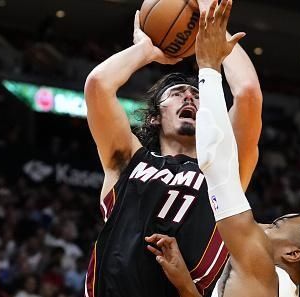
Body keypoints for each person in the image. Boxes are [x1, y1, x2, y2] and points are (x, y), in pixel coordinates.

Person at [145, 1, 300, 296]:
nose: (259, 222)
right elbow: (247, 92)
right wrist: (185, 285)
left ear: (293, 254)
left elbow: (219, 161)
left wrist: (209, 61)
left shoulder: (262, 270)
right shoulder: (280, 286)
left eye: (274, 226)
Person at [83, 0, 262, 295]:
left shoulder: (224, 173)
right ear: (154, 117)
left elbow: (248, 94)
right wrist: (146, 50)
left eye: (197, 95)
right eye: (178, 93)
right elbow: (98, 85)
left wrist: (210, 27)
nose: (190, 99)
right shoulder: (128, 160)